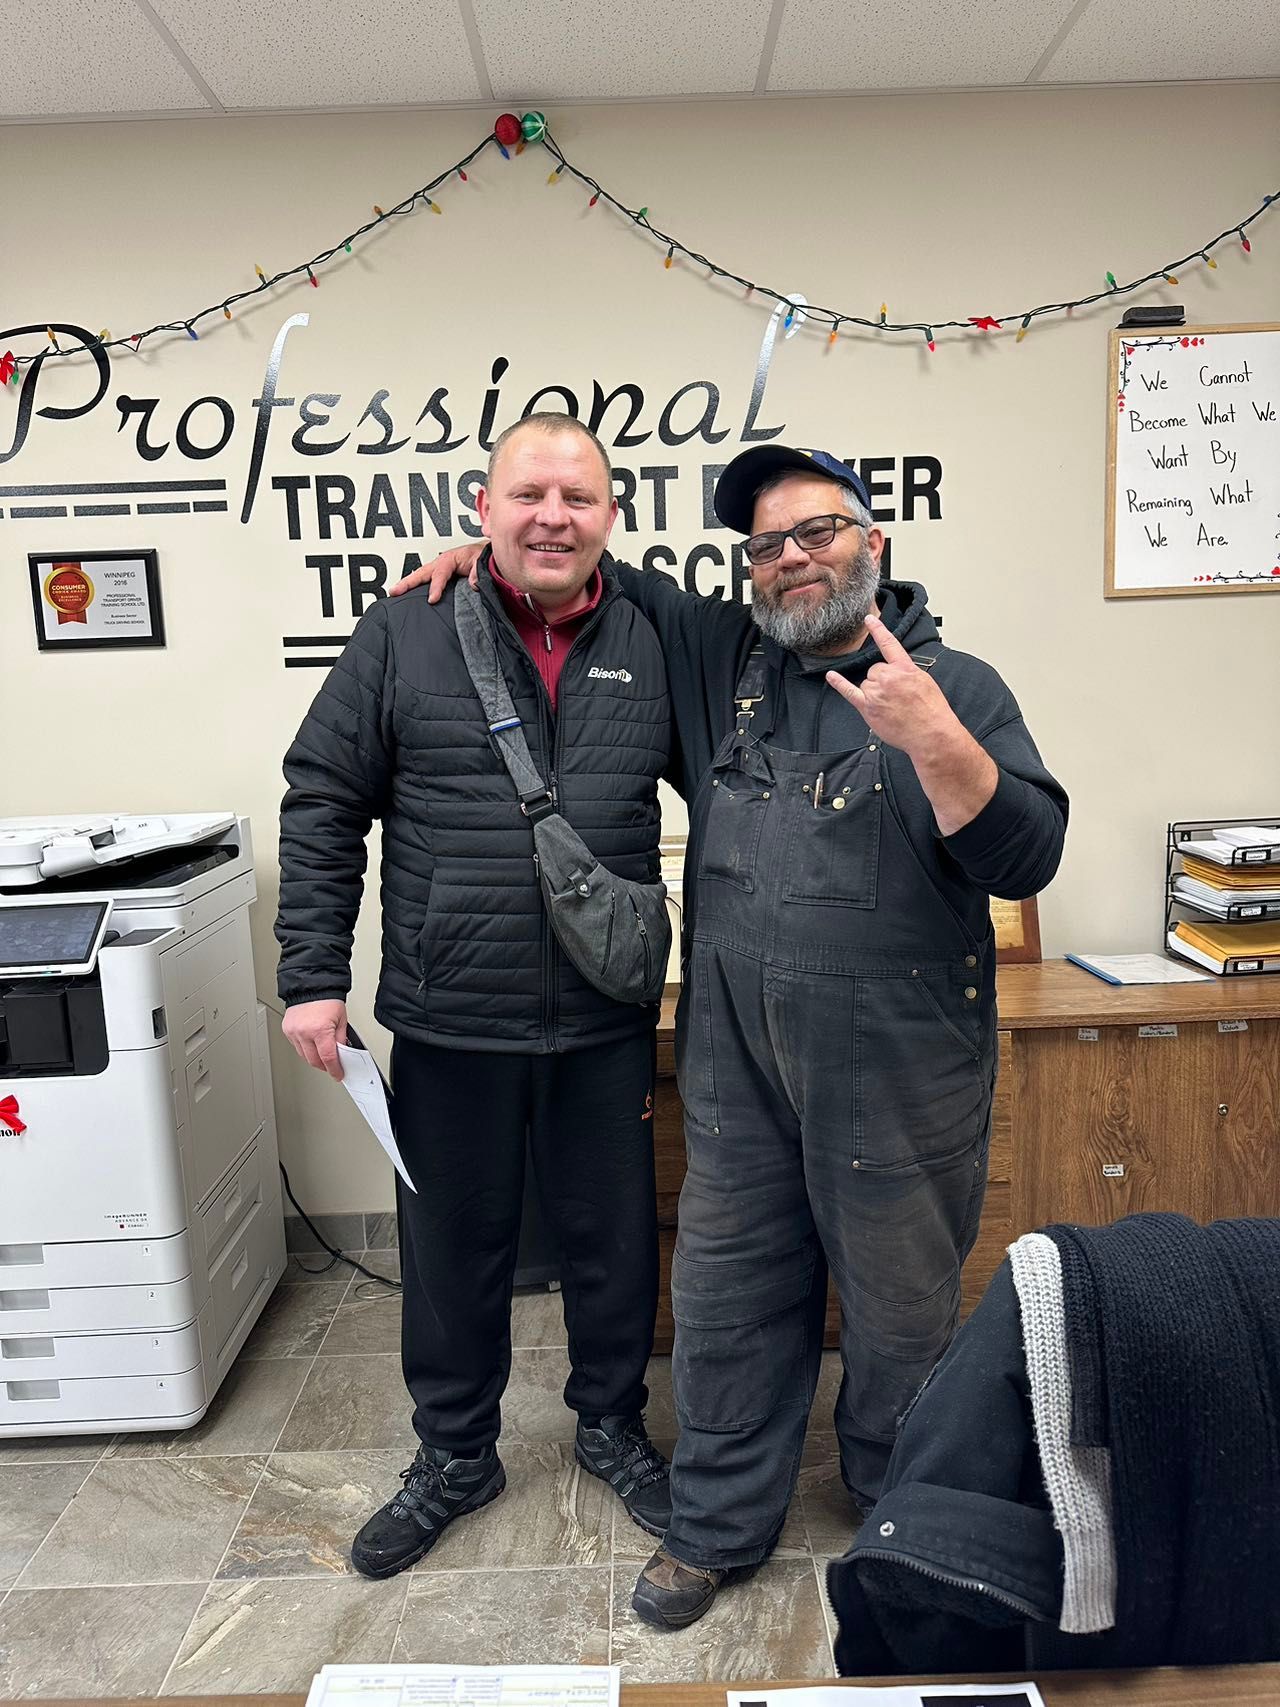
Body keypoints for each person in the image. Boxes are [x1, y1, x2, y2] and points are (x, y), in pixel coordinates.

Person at [397, 441, 1068, 1625]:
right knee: (722, 1298)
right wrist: (488, 557)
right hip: (738, 1072)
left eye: (817, 531)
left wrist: (935, 738)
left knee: (902, 1312)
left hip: (901, 1076)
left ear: (874, 542)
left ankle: (897, 1508)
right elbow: (573, 562)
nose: (793, 559)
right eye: (765, 544)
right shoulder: (722, 660)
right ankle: (715, 1524)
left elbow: (1024, 854)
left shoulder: (955, 683)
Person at [276, 413, 674, 1580]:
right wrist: (311, 976)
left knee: (611, 1244)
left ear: (611, 516)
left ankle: (609, 1425)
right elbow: (321, 799)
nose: (552, 515)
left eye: (579, 498)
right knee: (451, 1246)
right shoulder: (405, 627)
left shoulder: (654, 632)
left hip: (603, 1016)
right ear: (482, 506)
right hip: (450, 1015)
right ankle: (456, 1454)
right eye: (528, 493)